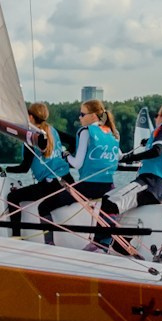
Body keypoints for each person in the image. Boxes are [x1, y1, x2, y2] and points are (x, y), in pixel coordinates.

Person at [98, 104, 162, 256]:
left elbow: (158, 151)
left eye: (157, 115)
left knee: (108, 202)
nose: (156, 118)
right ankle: (122, 251)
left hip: (148, 184)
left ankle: (100, 246)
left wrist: (129, 157)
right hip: (157, 187)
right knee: (122, 217)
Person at [41, 99, 120, 243]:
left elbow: (77, 164)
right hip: (108, 186)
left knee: (44, 205)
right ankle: (103, 242)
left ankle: (49, 244)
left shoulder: (85, 131)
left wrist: (66, 155)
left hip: (89, 186)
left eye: (82, 114)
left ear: (94, 116)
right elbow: (119, 156)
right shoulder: (113, 133)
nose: (79, 117)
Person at [4, 103, 74, 238]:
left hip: (51, 185)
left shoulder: (31, 138)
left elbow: (24, 168)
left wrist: (4, 169)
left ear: (30, 117)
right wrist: (66, 154)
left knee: (13, 197)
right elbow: (73, 141)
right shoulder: (53, 130)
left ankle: (16, 236)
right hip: (68, 180)